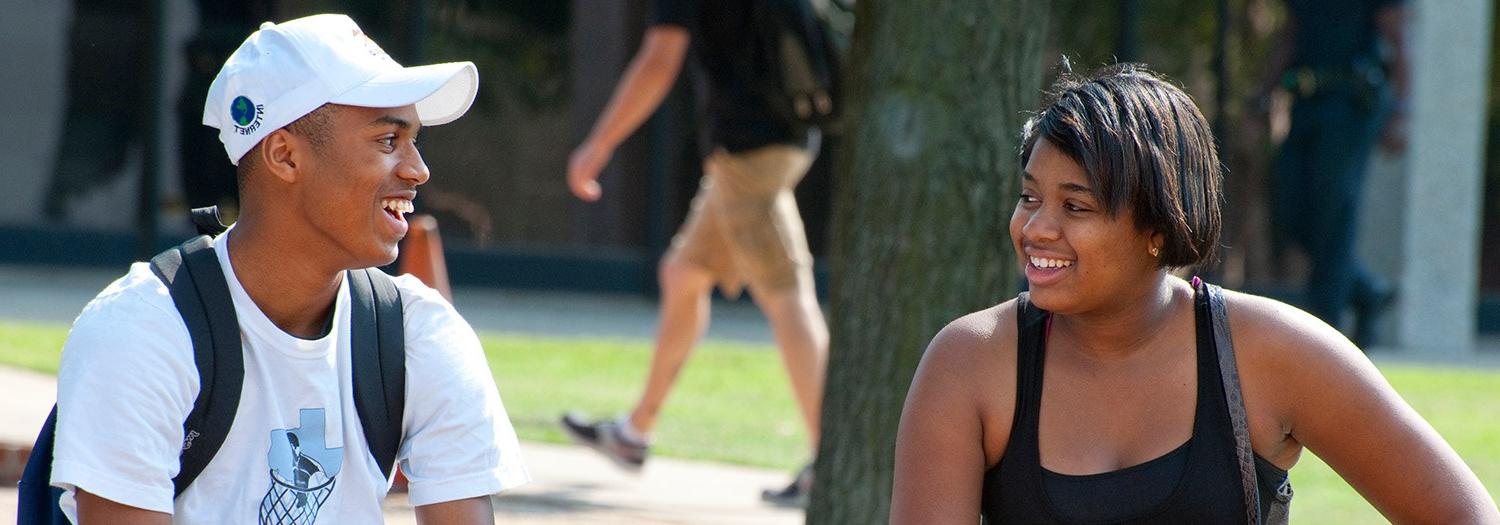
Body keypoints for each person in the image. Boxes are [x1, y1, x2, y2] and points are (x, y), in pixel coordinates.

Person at [890, 65, 1498, 523]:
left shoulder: (1272, 353)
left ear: (1157, 228)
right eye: (1029, 197)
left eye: (1075, 206)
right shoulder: (969, 364)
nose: (1036, 228)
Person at [50, 14, 529, 524]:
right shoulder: (140, 330)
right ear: (284, 155)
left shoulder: (419, 333)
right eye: (388, 141)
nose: (418, 170)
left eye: (415, 141)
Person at [559, 0, 829, 506]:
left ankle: (830, 457)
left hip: (749, 146)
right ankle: (634, 433)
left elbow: (660, 60)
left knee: (787, 295)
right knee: (684, 273)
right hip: (778, 138)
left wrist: (598, 146)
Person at [1261, 0, 1407, 347]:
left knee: (1335, 213)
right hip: (1306, 103)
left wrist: (1401, 113)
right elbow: (1290, 37)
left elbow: (1399, 41)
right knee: (1290, 213)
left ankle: (1326, 334)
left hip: (1352, 104)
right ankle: (1366, 289)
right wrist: (1263, 93)